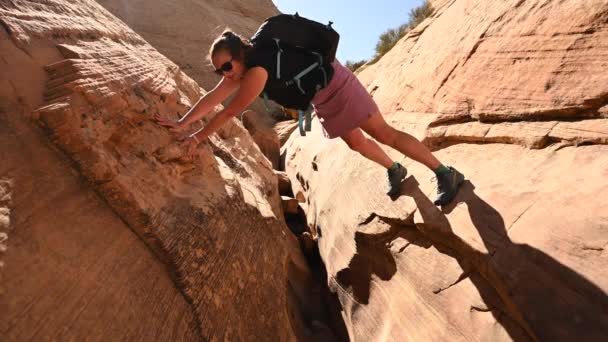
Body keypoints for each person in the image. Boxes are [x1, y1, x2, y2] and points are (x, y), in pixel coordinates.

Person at [155, 30, 464, 205]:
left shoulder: (257, 69)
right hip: (321, 95)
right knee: (356, 142)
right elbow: (213, 96)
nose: (225, 74)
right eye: (219, 70)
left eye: (226, 67)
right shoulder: (243, 67)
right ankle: (395, 168)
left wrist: (196, 137)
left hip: (338, 85)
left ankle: (444, 172)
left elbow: (231, 111)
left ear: (240, 55)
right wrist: (183, 123)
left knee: (383, 133)